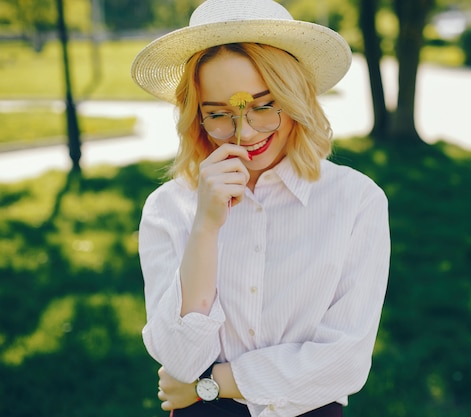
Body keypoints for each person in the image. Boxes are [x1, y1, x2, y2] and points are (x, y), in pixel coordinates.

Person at [131, 0, 390, 416]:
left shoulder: (356, 202)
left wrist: (211, 384)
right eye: (217, 114)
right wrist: (205, 229)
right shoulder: (168, 208)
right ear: (195, 116)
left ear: (295, 96)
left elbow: (345, 362)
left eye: (264, 105)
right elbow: (178, 360)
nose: (244, 132)